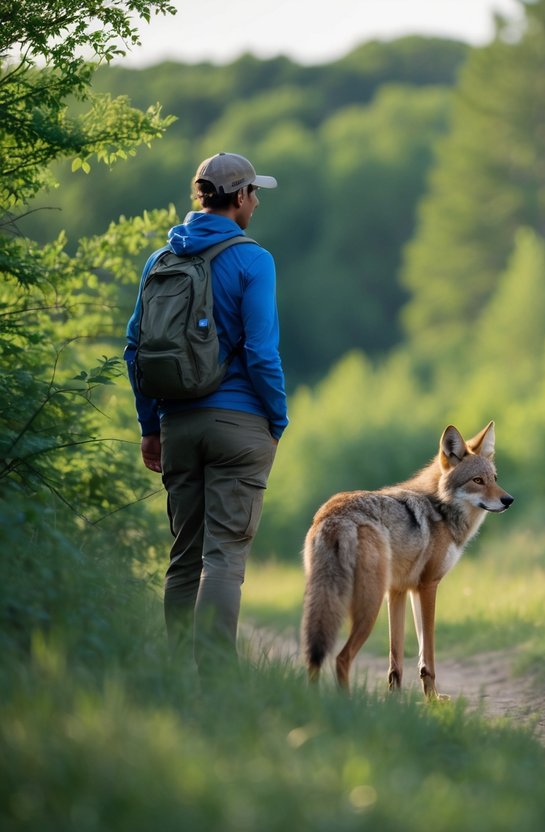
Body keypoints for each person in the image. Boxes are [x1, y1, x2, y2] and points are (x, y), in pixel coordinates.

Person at [124, 152, 288, 680]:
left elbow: (134, 349)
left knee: (184, 557)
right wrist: (277, 419)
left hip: (177, 426)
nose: (257, 202)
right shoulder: (252, 259)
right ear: (238, 198)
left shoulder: (160, 261)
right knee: (223, 559)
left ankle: (175, 677)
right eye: (254, 194)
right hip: (239, 426)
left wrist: (151, 427)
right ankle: (217, 682)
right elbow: (262, 352)